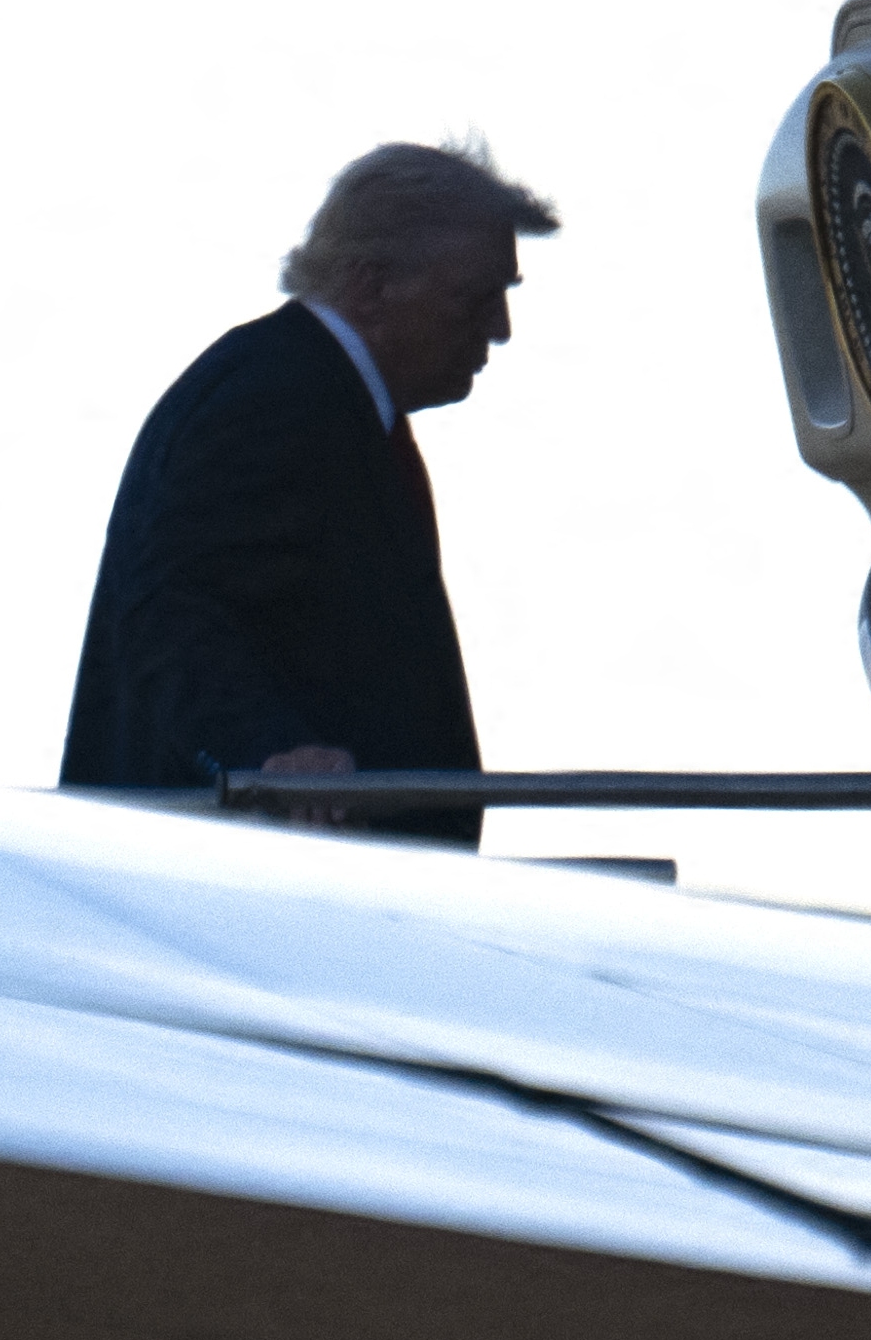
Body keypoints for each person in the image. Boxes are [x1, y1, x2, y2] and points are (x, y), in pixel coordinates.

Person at [56, 140, 558, 842]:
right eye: (474, 299)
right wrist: (266, 755)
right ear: (371, 284)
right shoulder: (278, 396)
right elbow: (172, 608)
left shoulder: (320, 398)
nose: (498, 331)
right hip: (255, 884)